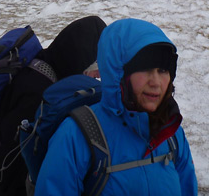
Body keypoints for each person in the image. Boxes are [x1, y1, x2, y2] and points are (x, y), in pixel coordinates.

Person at [35, 18, 198, 195]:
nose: (156, 82)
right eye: (145, 69)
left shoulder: (171, 134)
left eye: (163, 70)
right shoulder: (76, 136)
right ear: (118, 73)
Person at [0, 15, 107, 196]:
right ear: (80, 58)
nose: (96, 75)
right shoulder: (40, 93)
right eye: (95, 66)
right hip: (4, 182)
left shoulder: (48, 63)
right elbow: (14, 161)